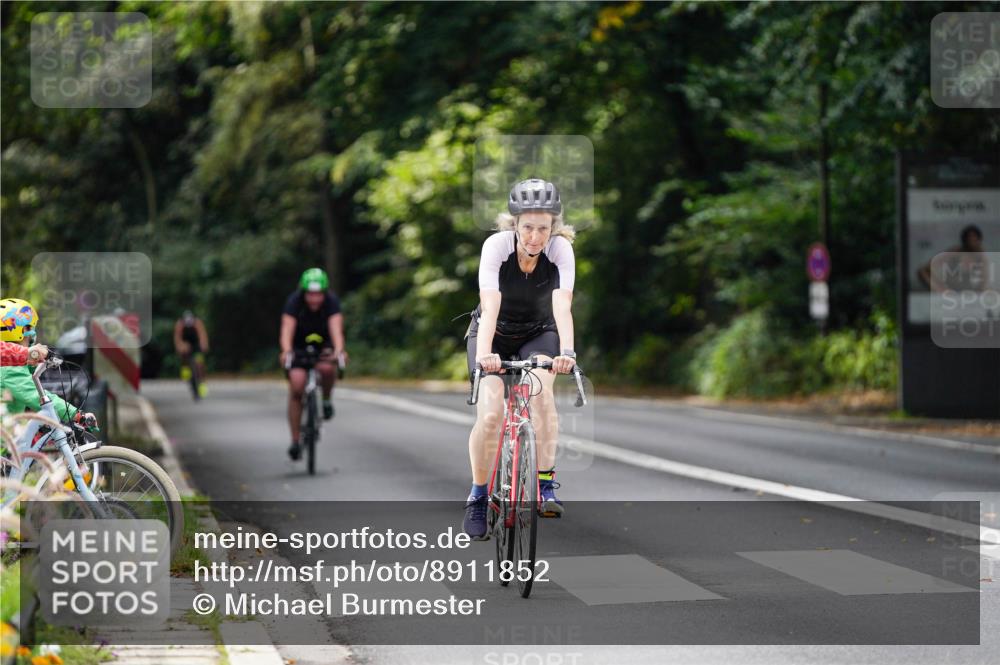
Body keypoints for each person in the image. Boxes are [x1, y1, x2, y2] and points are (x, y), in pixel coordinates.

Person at [463, 178, 578, 540]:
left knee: (541, 394)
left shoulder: (560, 250)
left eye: (543, 228)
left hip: (537, 332)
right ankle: (479, 496)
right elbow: (490, 305)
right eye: (527, 227)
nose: (534, 236)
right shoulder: (495, 247)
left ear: (553, 228)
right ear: (514, 224)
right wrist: (485, 357)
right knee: (493, 412)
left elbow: (562, 306)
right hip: (492, 332)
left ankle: (545, 484)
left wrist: (567, 354)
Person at [279, 268, 347, 461]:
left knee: (326, 369)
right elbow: (286, 329)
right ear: (304, 292)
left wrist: (339, 349)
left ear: (324, 293)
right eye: (310, 294)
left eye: (318, 294)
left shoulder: (331, 302)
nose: (314, 299)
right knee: (297, 386)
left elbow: (336, 329)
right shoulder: (294, 302)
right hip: (298, 347)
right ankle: (294, 441)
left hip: (324, 346)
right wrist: (286, 350)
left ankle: (326, 400)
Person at [0, 298, 96, 428]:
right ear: (22, 332)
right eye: (30, 328)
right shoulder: (10, 370)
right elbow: (35, 396)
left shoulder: (10, 365)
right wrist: (76, 415)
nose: (33, 335)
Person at [173, 310, 210, 398]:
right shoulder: (179, 324)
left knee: (199, 364)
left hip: (196, 344)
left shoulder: (197, 323)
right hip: (186, 343)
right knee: (184, 356)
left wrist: (204, 345)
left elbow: (202, 335)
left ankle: (202, 383)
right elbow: (177, 338)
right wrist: (180, 347)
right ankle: (185, 369)